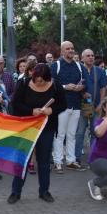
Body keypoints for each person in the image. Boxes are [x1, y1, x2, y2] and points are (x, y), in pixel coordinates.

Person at [7, 63, 67, 204]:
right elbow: (15, 104)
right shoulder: (23, 83)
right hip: (27, 127)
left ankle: (44, 191)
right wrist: (31, 111)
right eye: (36, 80)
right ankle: (15, 192)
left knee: (44, 161)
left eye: (42, 81)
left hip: (46, 128)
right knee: (23, 160)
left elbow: (62, 104)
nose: (38, 83)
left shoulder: (56, 85)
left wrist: (51, 111)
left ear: (48, 78)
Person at [50, 41, 86, 173]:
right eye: (68, 48)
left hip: (76, 104)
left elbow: (84, 81)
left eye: (72, 48)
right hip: (61, 105)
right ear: (62, 51)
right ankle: (58, 162)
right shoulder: (56, 65)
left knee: (71, 135)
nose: (71, 50)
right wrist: (66, 86)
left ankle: (71, 161)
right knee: (60, 135)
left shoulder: (79, 65)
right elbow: (50, 83)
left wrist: (81, 87)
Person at [75, 49, 107, 165]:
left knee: (95, 131)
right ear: (82, 58)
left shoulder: (99, 71)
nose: (91, 57)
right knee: (80, 132)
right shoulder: (78, 70)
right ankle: (76, 157)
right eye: (88, 56)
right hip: (82, 106)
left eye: (92, 55)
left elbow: (103, 88)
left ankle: (94, 156)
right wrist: (82, 93)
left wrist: (101, 103)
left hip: (96, 105)